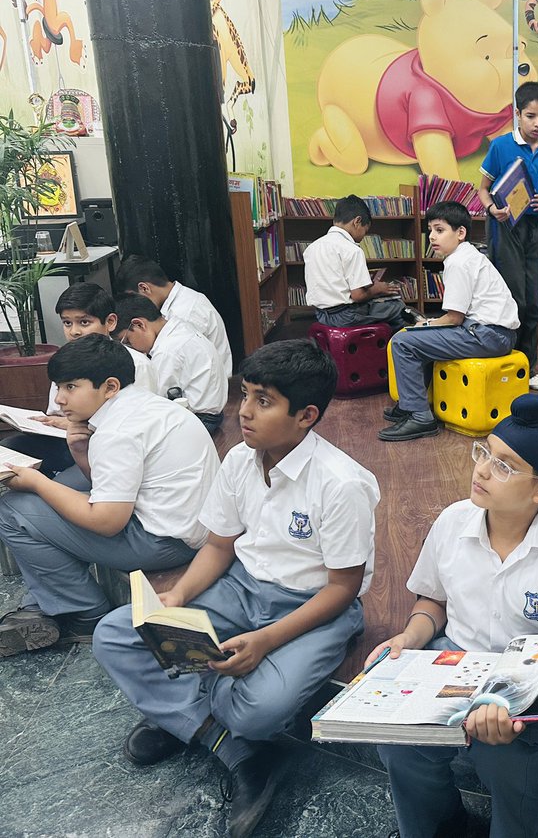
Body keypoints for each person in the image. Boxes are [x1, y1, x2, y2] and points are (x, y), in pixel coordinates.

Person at [91, 339, 378, 838]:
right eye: (243, 395)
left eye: (263, 401)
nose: (243, 412)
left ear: (306, 415)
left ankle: (192, 716)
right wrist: (178, 597)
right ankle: (228, 745)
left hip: (315, 606)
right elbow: (220, 547)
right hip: (243, 588)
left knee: (258, 709)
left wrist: (265, 642)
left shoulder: (341, 483)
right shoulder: (241, 460)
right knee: (115, 633)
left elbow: (342, 588)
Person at [371, 394, 538, 838]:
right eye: (484, 452)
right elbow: (432, 602)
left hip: (535, 681)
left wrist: (506, 699)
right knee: (399, 739)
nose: (483, 469)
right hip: (457, 658)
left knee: (505, 755)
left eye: (506, 465)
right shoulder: (454, 521)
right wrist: (409, 638)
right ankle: (435, 825)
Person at [0, 335, 218, 657]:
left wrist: (36, 483)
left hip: (162, 544)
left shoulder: (117, 431)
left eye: (71, 387)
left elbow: (106, 521)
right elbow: (113, 486)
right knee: (59, 490)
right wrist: (79, 450)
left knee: (12, 508)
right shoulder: (142, 405)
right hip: (183, 529)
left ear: (110, 386)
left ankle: (85, 613)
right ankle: (46, 603)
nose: (60, 399)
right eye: (58, 387)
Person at [379, 201, 519, 442]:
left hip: (487, 335)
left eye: (440, 230)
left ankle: (420, 416)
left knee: (403, 342)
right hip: (494, 333)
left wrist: (423, 326)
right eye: (430, 230)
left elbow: (454, 318)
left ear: (460, 233)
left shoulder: (458, 262)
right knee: (416, 338)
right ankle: (411, 403)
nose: (432, 237)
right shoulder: (469, 255)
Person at [2, 282, 156, 478]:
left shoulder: (136, 364)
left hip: (111, 449)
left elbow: (144, 424)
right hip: (68, 441)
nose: (74, 331)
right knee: (9, 448)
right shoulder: (67, 359)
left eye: (84, 322)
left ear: (110, 322)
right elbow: (57, 411)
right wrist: (44, 423)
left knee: (57, 487)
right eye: (67, 323)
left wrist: (78, 426)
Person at [478, 81, 538, 392]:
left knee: (532, 302)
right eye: (531, 116)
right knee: (511, 299)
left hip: (534, 228)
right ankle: (505, 365)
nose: (537, 124)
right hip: (505, 227)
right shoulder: (500, 146)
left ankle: (528, 370)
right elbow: (482, 188)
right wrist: (492, 209)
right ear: (517, 114)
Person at [302, 194, 417, 330]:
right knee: (398, 307)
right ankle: (393, 346)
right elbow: (358, 296)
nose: (363, 236)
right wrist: (378, 288)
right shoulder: (352, 250)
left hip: (320, 314)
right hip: (346, 316)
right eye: (365, 230)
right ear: (357, 221)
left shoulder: (312, 247)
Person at [115, 295, 228, 434]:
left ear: (139, 324)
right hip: (215, 413)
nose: (132, 347)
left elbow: (157, 399)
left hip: (200, 420)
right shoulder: (179, 327)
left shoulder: (167, 350)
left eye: (127, 341)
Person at [114, 255, 233, 379]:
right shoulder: (181, 299)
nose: (134, 304)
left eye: (134, 298)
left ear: (144, 288)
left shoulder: (185, 314)